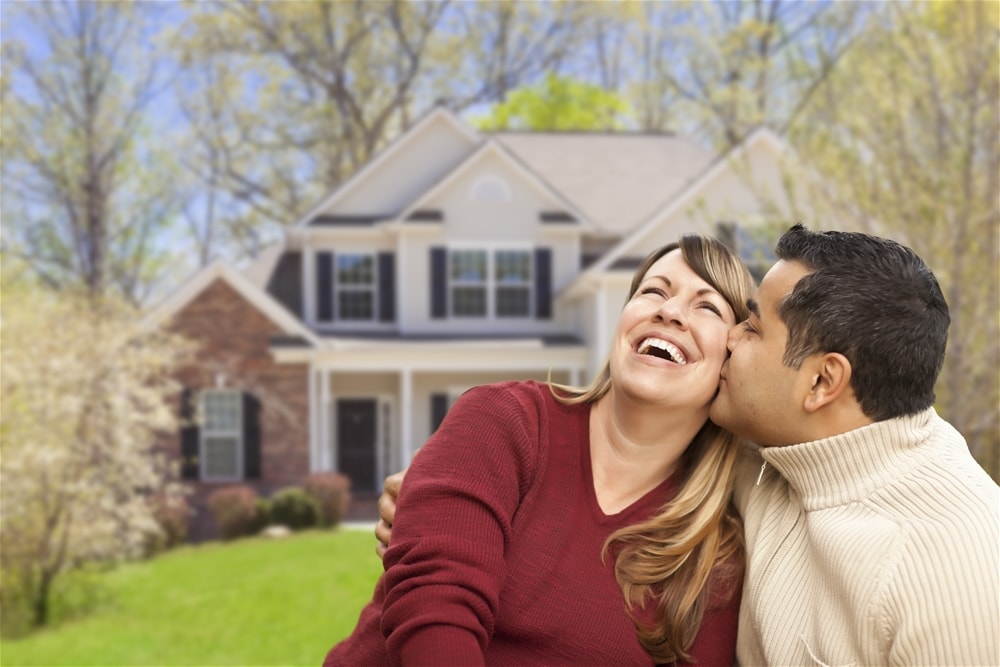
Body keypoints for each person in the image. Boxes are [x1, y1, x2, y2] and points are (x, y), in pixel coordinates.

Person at [375, 225, 1000, 666]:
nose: (682, 319)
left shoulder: (955, 568)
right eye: (652, 291)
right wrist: (441, 499)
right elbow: (438, 579)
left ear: (821, 382)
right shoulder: (774, 459)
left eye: (744, 325)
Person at [325, 234, 757, 666]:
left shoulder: (713, 556)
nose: (669, 311)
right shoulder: (503, 419)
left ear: (731, 363)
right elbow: (435, 608)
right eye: (653, 291)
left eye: (707, 306)